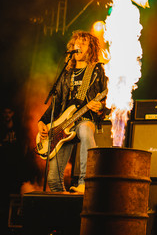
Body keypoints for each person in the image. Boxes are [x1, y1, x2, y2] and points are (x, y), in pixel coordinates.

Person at [37, 31, 107, 193]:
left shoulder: (97, 70)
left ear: (91, 49)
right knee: (53, 180)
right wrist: (42, 122)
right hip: (62, 125)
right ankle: (66, 212)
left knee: (84, 130)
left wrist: (101, 107)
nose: (79, 46)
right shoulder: (66, 74)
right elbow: (56, 102)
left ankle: (84, 181)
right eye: (77, 43)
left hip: (84, 118)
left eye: (84, 43)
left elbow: (107, 98)